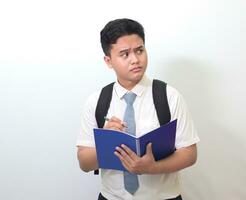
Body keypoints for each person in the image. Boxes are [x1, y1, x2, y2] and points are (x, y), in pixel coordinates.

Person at [76, 18, 199, 200]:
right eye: (125, 54)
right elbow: (84, 163)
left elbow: (189, 154)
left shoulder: (169, 97)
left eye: (139, 50)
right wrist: (105, 142)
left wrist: (153, 168)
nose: (135, 59)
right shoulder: (96, 101)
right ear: (108, 61)